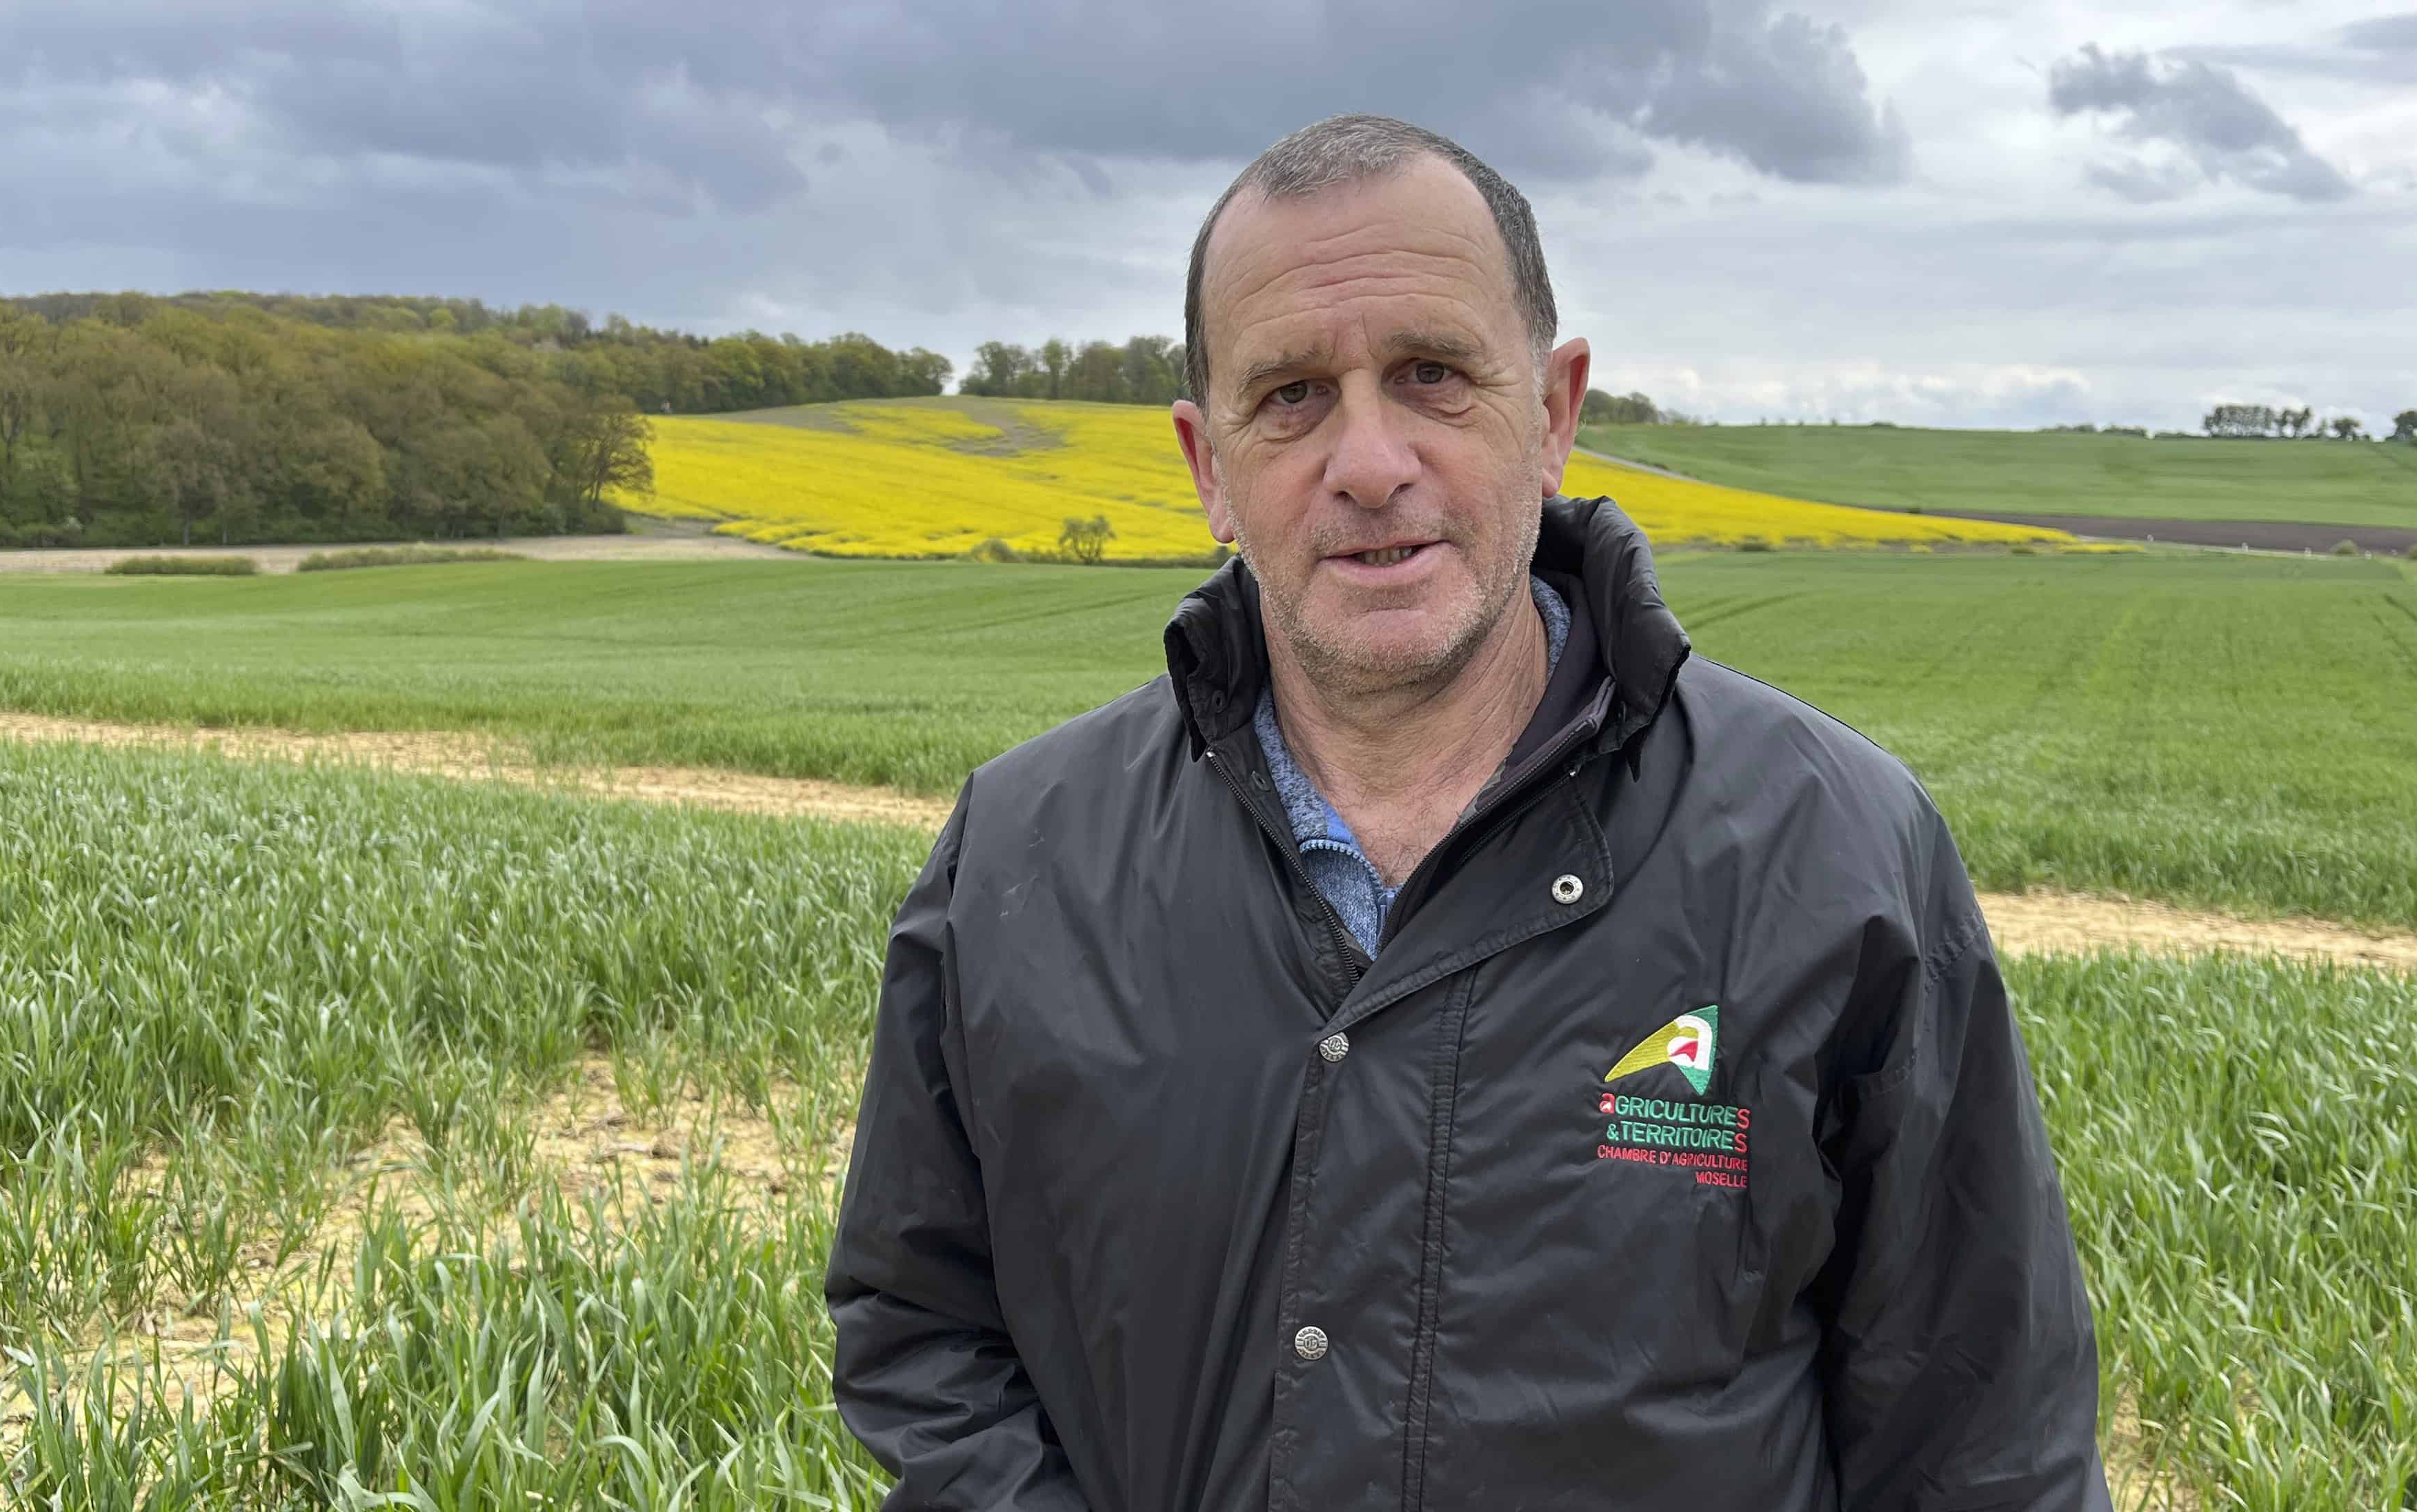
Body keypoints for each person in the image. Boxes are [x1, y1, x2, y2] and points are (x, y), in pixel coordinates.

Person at [826, 113, 2110, 1511]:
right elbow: (919, 1325)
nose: (1367, 463)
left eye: (1432, 376)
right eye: (1293, 396)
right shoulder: (1022, 857)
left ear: (1551, 413)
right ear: (1207, 465)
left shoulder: (1832, 854)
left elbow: (1987, 1443)